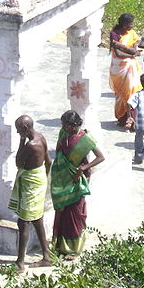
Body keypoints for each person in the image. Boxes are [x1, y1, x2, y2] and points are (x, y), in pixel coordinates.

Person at [50, 111, 105, 260]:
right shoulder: (63, 134)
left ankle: (74, 250)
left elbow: (101, 157)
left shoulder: (86, 139)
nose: (64, 128)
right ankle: (60, 244)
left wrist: (84, 168)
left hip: (76, 180)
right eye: (63, 125)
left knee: (75, 214)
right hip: (62, 180)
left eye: (67, 125)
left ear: (75, 125)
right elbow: (59, 152)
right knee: (62, 213)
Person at [8, 115, 52, 273]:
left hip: (31, 182)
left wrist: (21, 141)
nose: (18, 132)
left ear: (25, 129)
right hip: (39, 178)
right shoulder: (41, 138)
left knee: (24, 221)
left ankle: (20, 262)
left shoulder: (30, 145)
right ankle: (46, 255)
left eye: (19, 130)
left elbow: (19, 162)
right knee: (37, 218)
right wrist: (43, 178)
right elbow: (48, 161)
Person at [109, 13, 142, 130]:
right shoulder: (114, 34)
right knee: (120, 94)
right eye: (130, 24)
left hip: (130, 67)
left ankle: (131, 117)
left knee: (132, 91)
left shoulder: (132, 34)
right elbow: (117, 54)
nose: (132, 26)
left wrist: (121, 46)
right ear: (124, 25)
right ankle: (122, 118)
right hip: (118, 68)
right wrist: (131, 53)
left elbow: (135, 50)